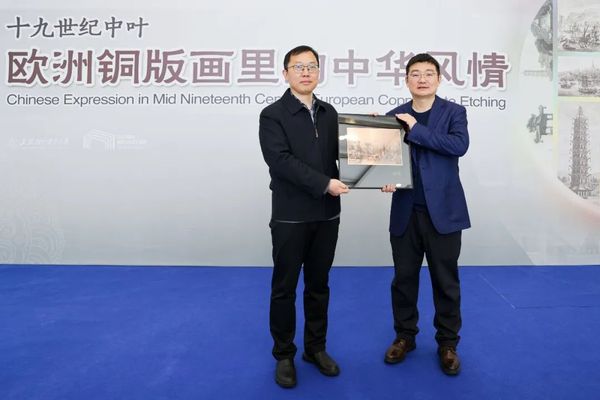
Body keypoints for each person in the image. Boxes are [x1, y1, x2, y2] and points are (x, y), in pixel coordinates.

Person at [258, 45, 349, 388]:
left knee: (319, 286)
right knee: (284, 288)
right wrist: (324, 184)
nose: (306, 72)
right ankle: (284, 354)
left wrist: (370, 135)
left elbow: (344, 155)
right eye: (298, 67)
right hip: (291, 215)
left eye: (311, 66)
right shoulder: (272, 115)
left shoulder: (329, 113)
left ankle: (315, 348)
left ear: (319, 72)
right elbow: (280, 161)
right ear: (285, 74)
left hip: (326, 215)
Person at [380, 53, 470, 376]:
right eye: (415, 74)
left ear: (438, 79)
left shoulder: (454, 113)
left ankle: (447, 343)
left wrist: (415, 128)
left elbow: (458, 146)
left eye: (428, 73)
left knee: (446, 282)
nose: (422, 79)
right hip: (406, 212)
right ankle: (405, 336)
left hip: (444, 212)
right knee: (403, 280)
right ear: (406, 80)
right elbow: (384, 159)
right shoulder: (393, 117)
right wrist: (381, 174)